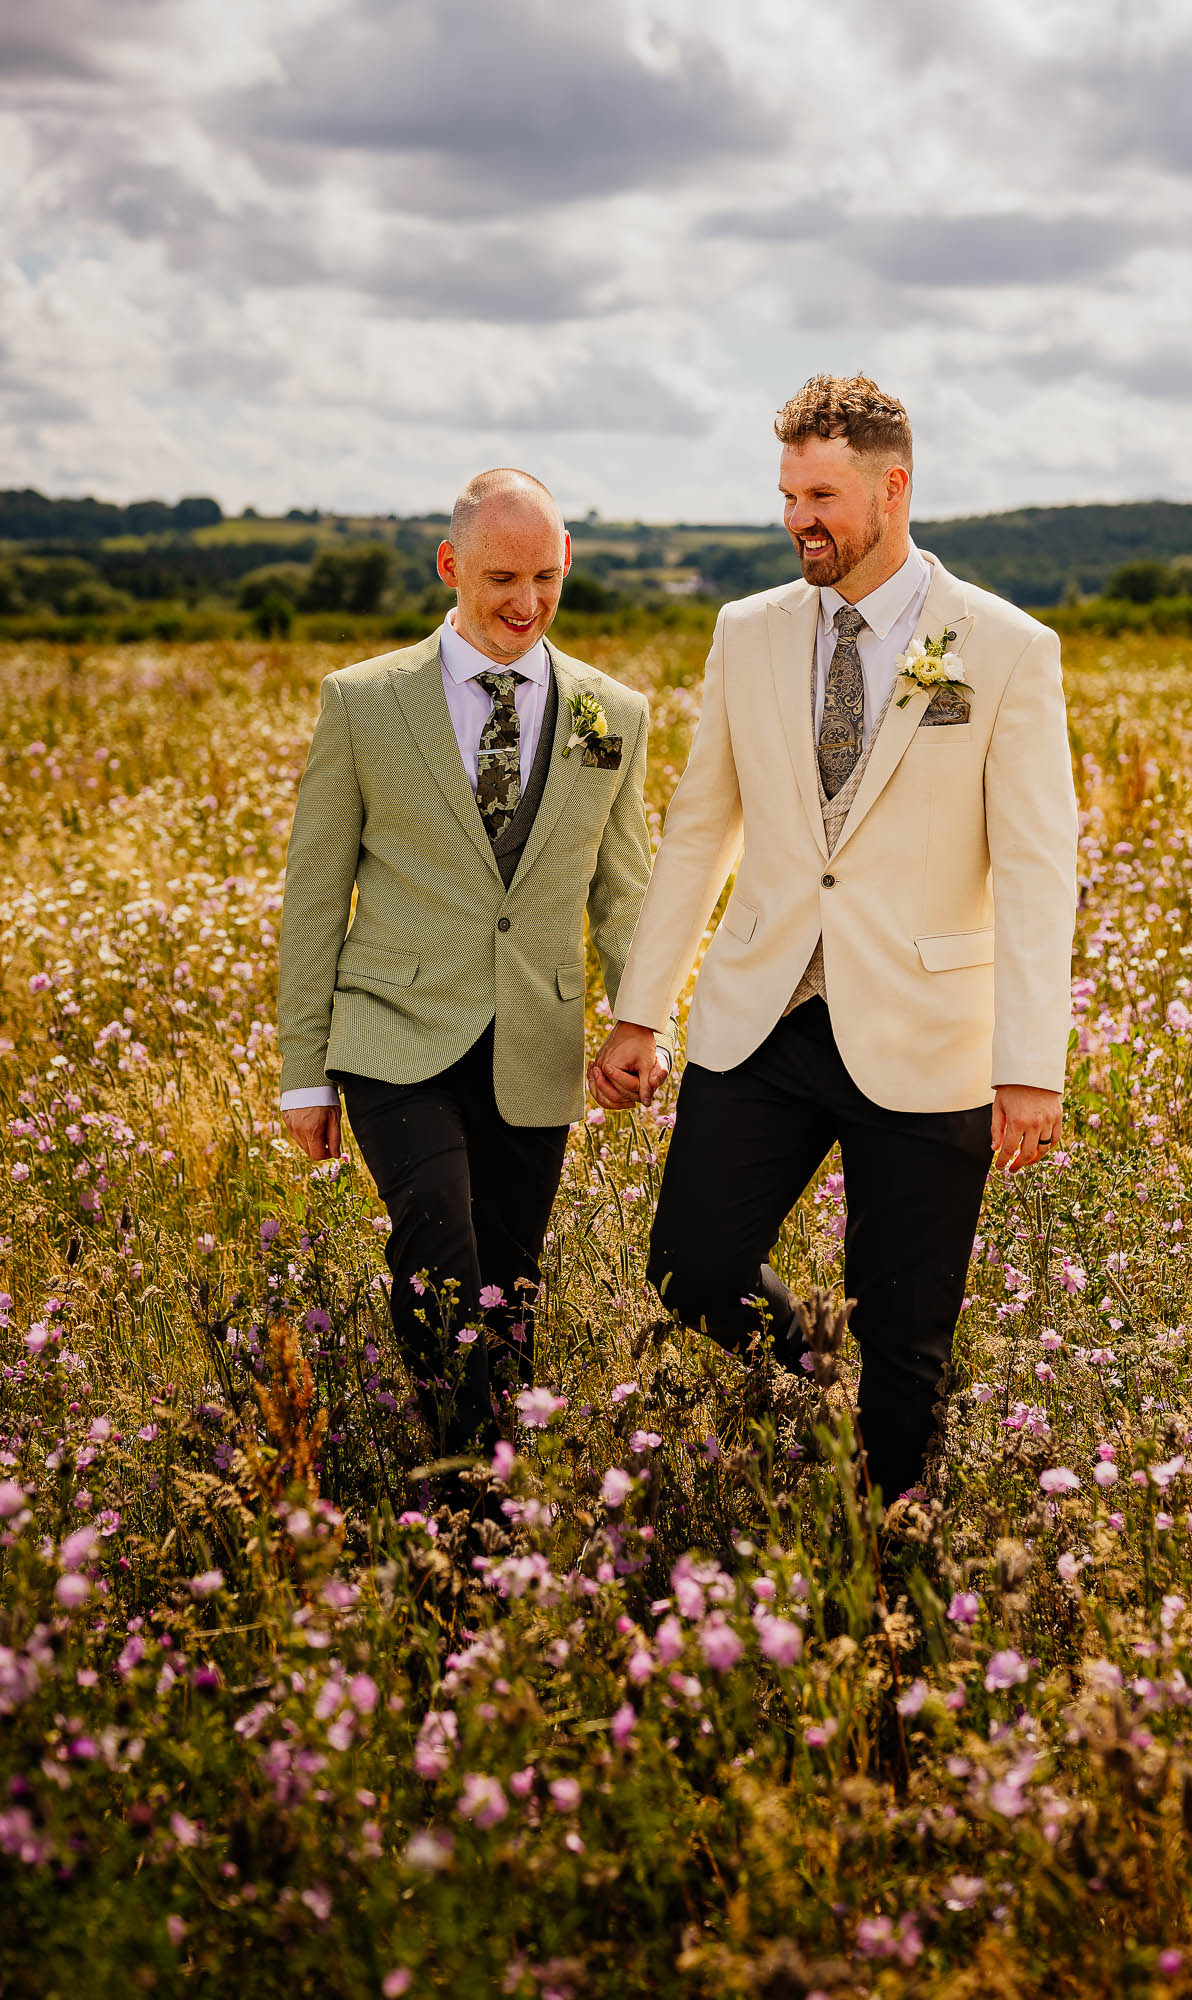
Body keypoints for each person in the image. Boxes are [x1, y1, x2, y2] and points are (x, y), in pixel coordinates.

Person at [591, 374, 1078, 1505]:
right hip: (764, 1012)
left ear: (890, 488)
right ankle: (813, 1367)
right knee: (690, 1263)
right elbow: (701, 826)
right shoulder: (746, 631)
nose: (797, 518)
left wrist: (1027, 1067)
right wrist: (639, 1010)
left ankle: (889, 1574)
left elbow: (1038, 866)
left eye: (820, 495)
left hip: (925, 1032)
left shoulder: (1005, 647)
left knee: (908, 1339)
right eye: (786, 495)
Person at [278, 469, 671, 1461]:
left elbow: (623, 886)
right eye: (501, 576)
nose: (525, 602)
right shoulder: (364, 701)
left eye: (545, 577)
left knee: (507, 1283)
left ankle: (495, 1484)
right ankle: (464, 1485)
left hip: (534, 1040)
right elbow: (317, 892)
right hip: (392, 1031)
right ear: (451, 564)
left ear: (567, 563)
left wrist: (640, 1016)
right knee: (440, 1252)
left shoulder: (610, 712)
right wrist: (303, 1069)